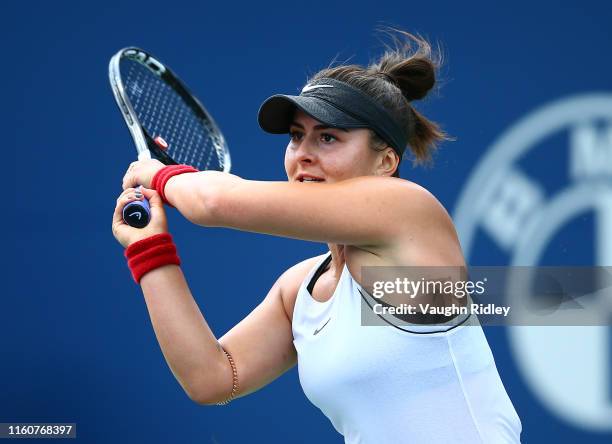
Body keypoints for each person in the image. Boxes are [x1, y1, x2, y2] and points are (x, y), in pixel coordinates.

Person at [112, 32, 522, 443]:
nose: (303, 152)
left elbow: (213, 202)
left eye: (328, 137)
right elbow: (213, 378)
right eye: (296, 135)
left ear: (386, 162)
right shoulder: (301, 290)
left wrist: (153, 174)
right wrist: (150, 252)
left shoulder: (410, 212)